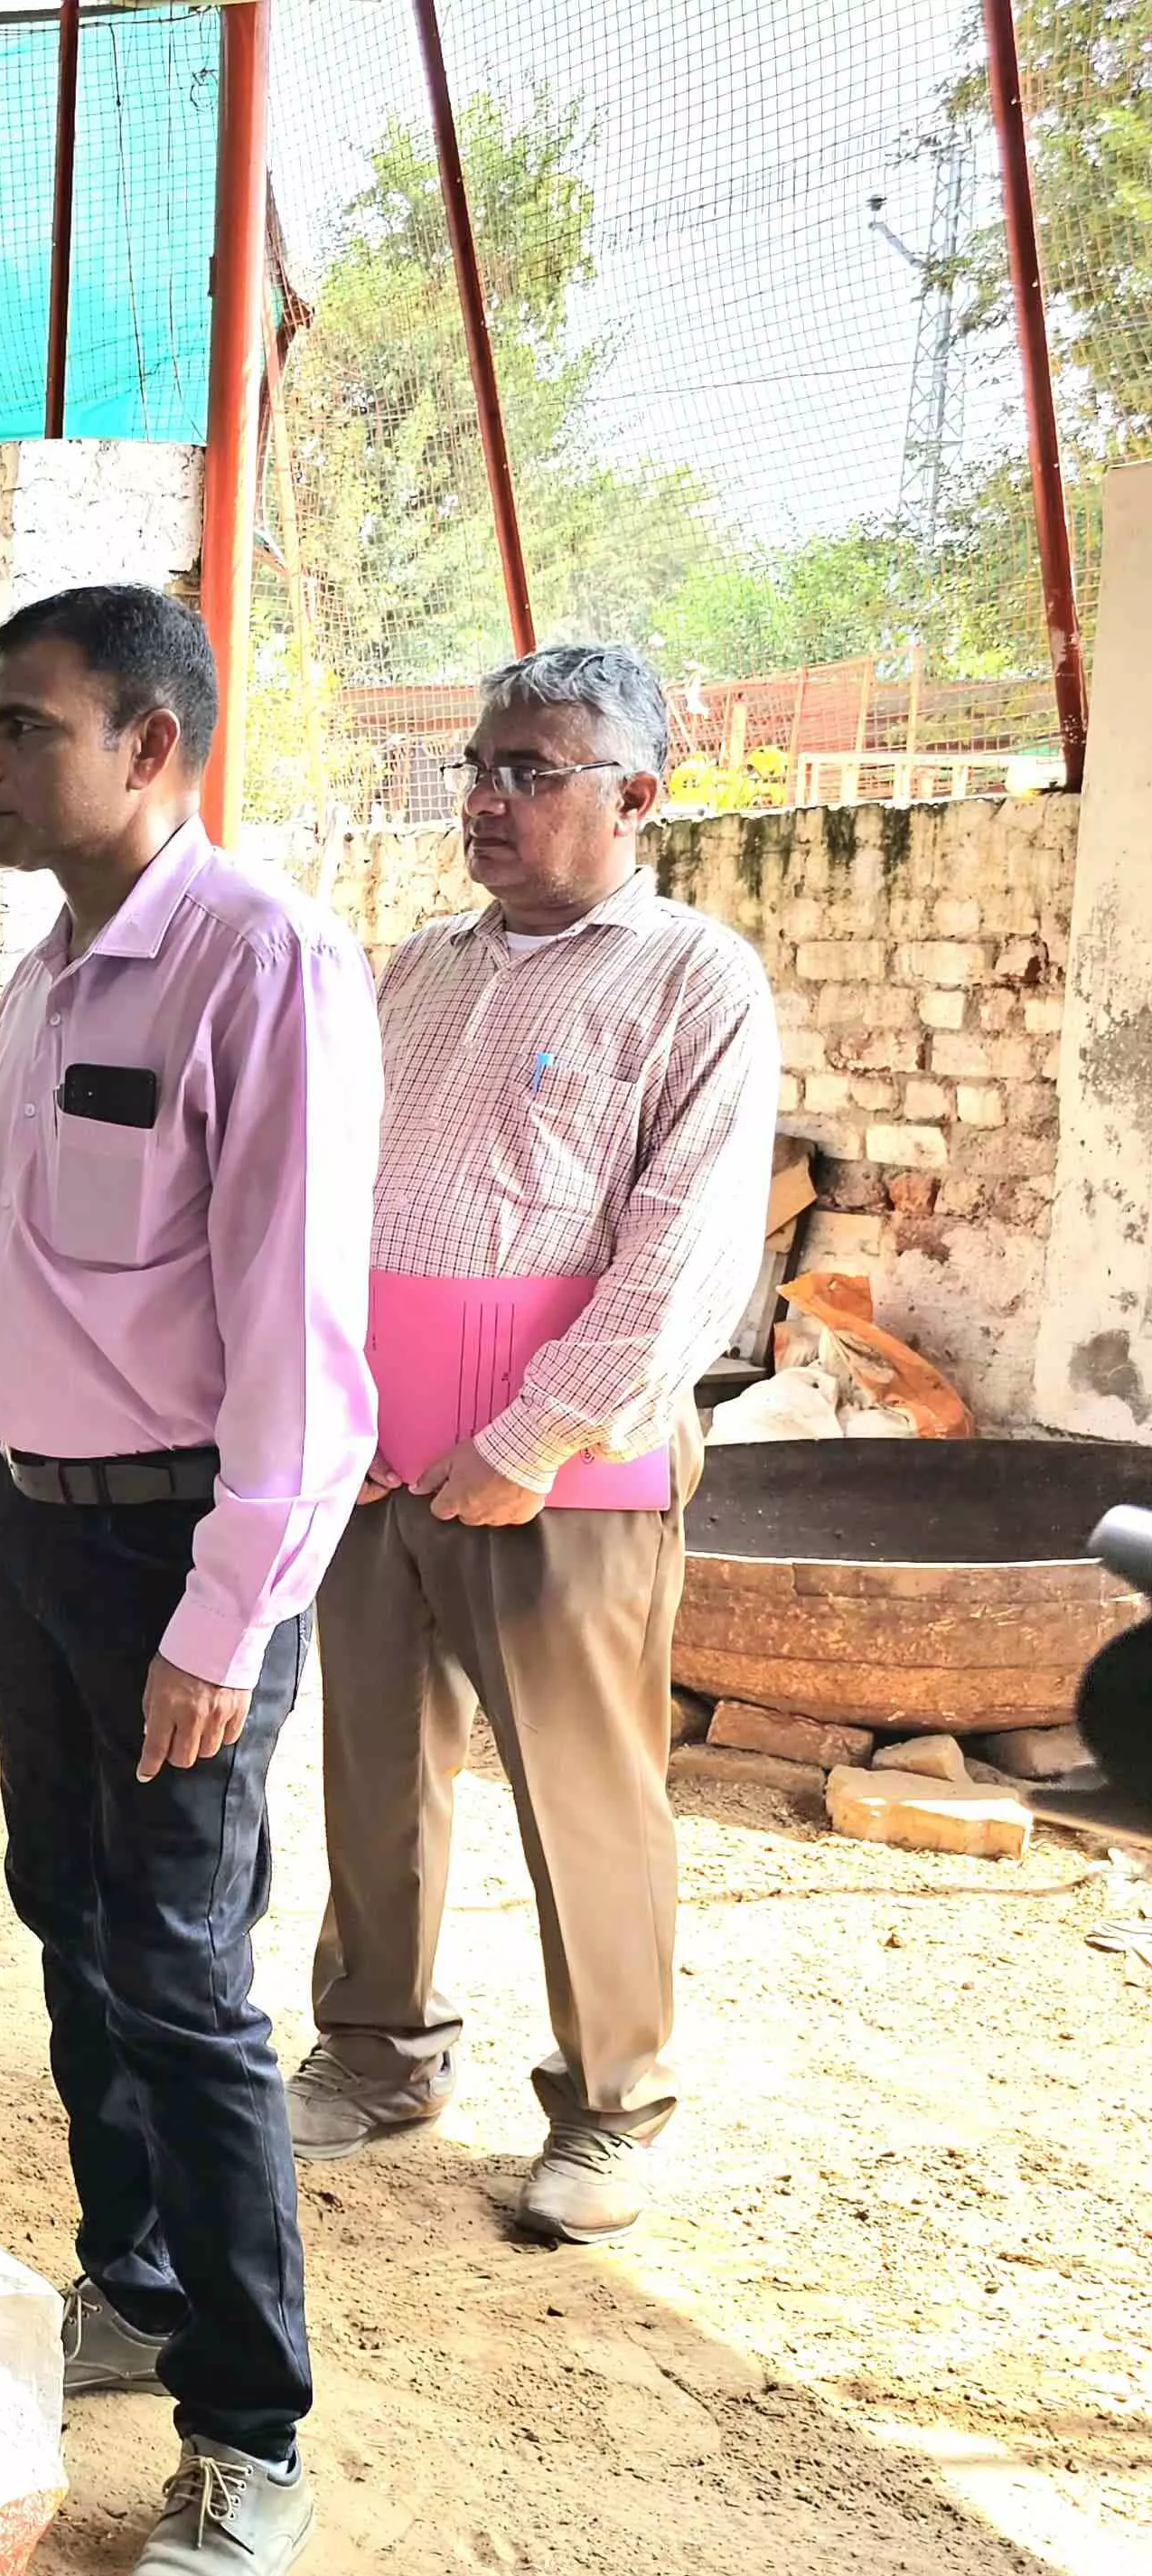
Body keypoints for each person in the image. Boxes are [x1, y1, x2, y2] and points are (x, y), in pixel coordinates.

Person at [0, 585, 378, 2576]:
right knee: (63, 1909)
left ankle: (245, 2427)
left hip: (185, 1552)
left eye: (22, 725)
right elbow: (24, 1300)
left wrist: (222, 1622)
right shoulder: (43, 977)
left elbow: (296, 1343)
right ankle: (135, 2272)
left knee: (179, 1975)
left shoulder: (259, 964)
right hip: (35, 1535)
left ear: (151, 748)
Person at [296, 643, 777, 2244]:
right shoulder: (419, 967)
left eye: (533, 771)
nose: (489, 800)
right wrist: (334, 1406)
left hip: (566, 1466)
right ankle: (374, 2051)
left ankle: (614, 2108)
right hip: (376, 1461)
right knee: (373, 1770)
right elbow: (330, 1197)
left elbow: (689, 1249)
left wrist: (540, 1436)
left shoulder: (693, 979)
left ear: (635, 796)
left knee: (587, 1790)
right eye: (479, 769)